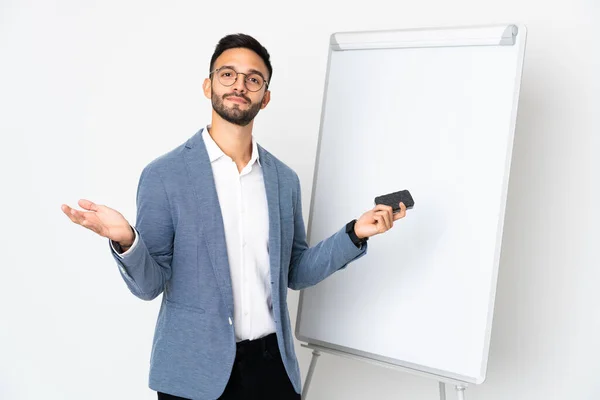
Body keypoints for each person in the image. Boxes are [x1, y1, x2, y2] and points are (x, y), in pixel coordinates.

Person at [61, 33, 407, 400]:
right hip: (193, 373)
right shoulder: (164, 175)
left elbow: (295, 271)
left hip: (271, 368)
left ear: (265, 96)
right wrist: (127, 241)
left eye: (253, 79)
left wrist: (354, 233)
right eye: (228, 74)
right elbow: (149, 285)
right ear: (208, 84)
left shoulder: (283, 181)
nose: (240, 85)